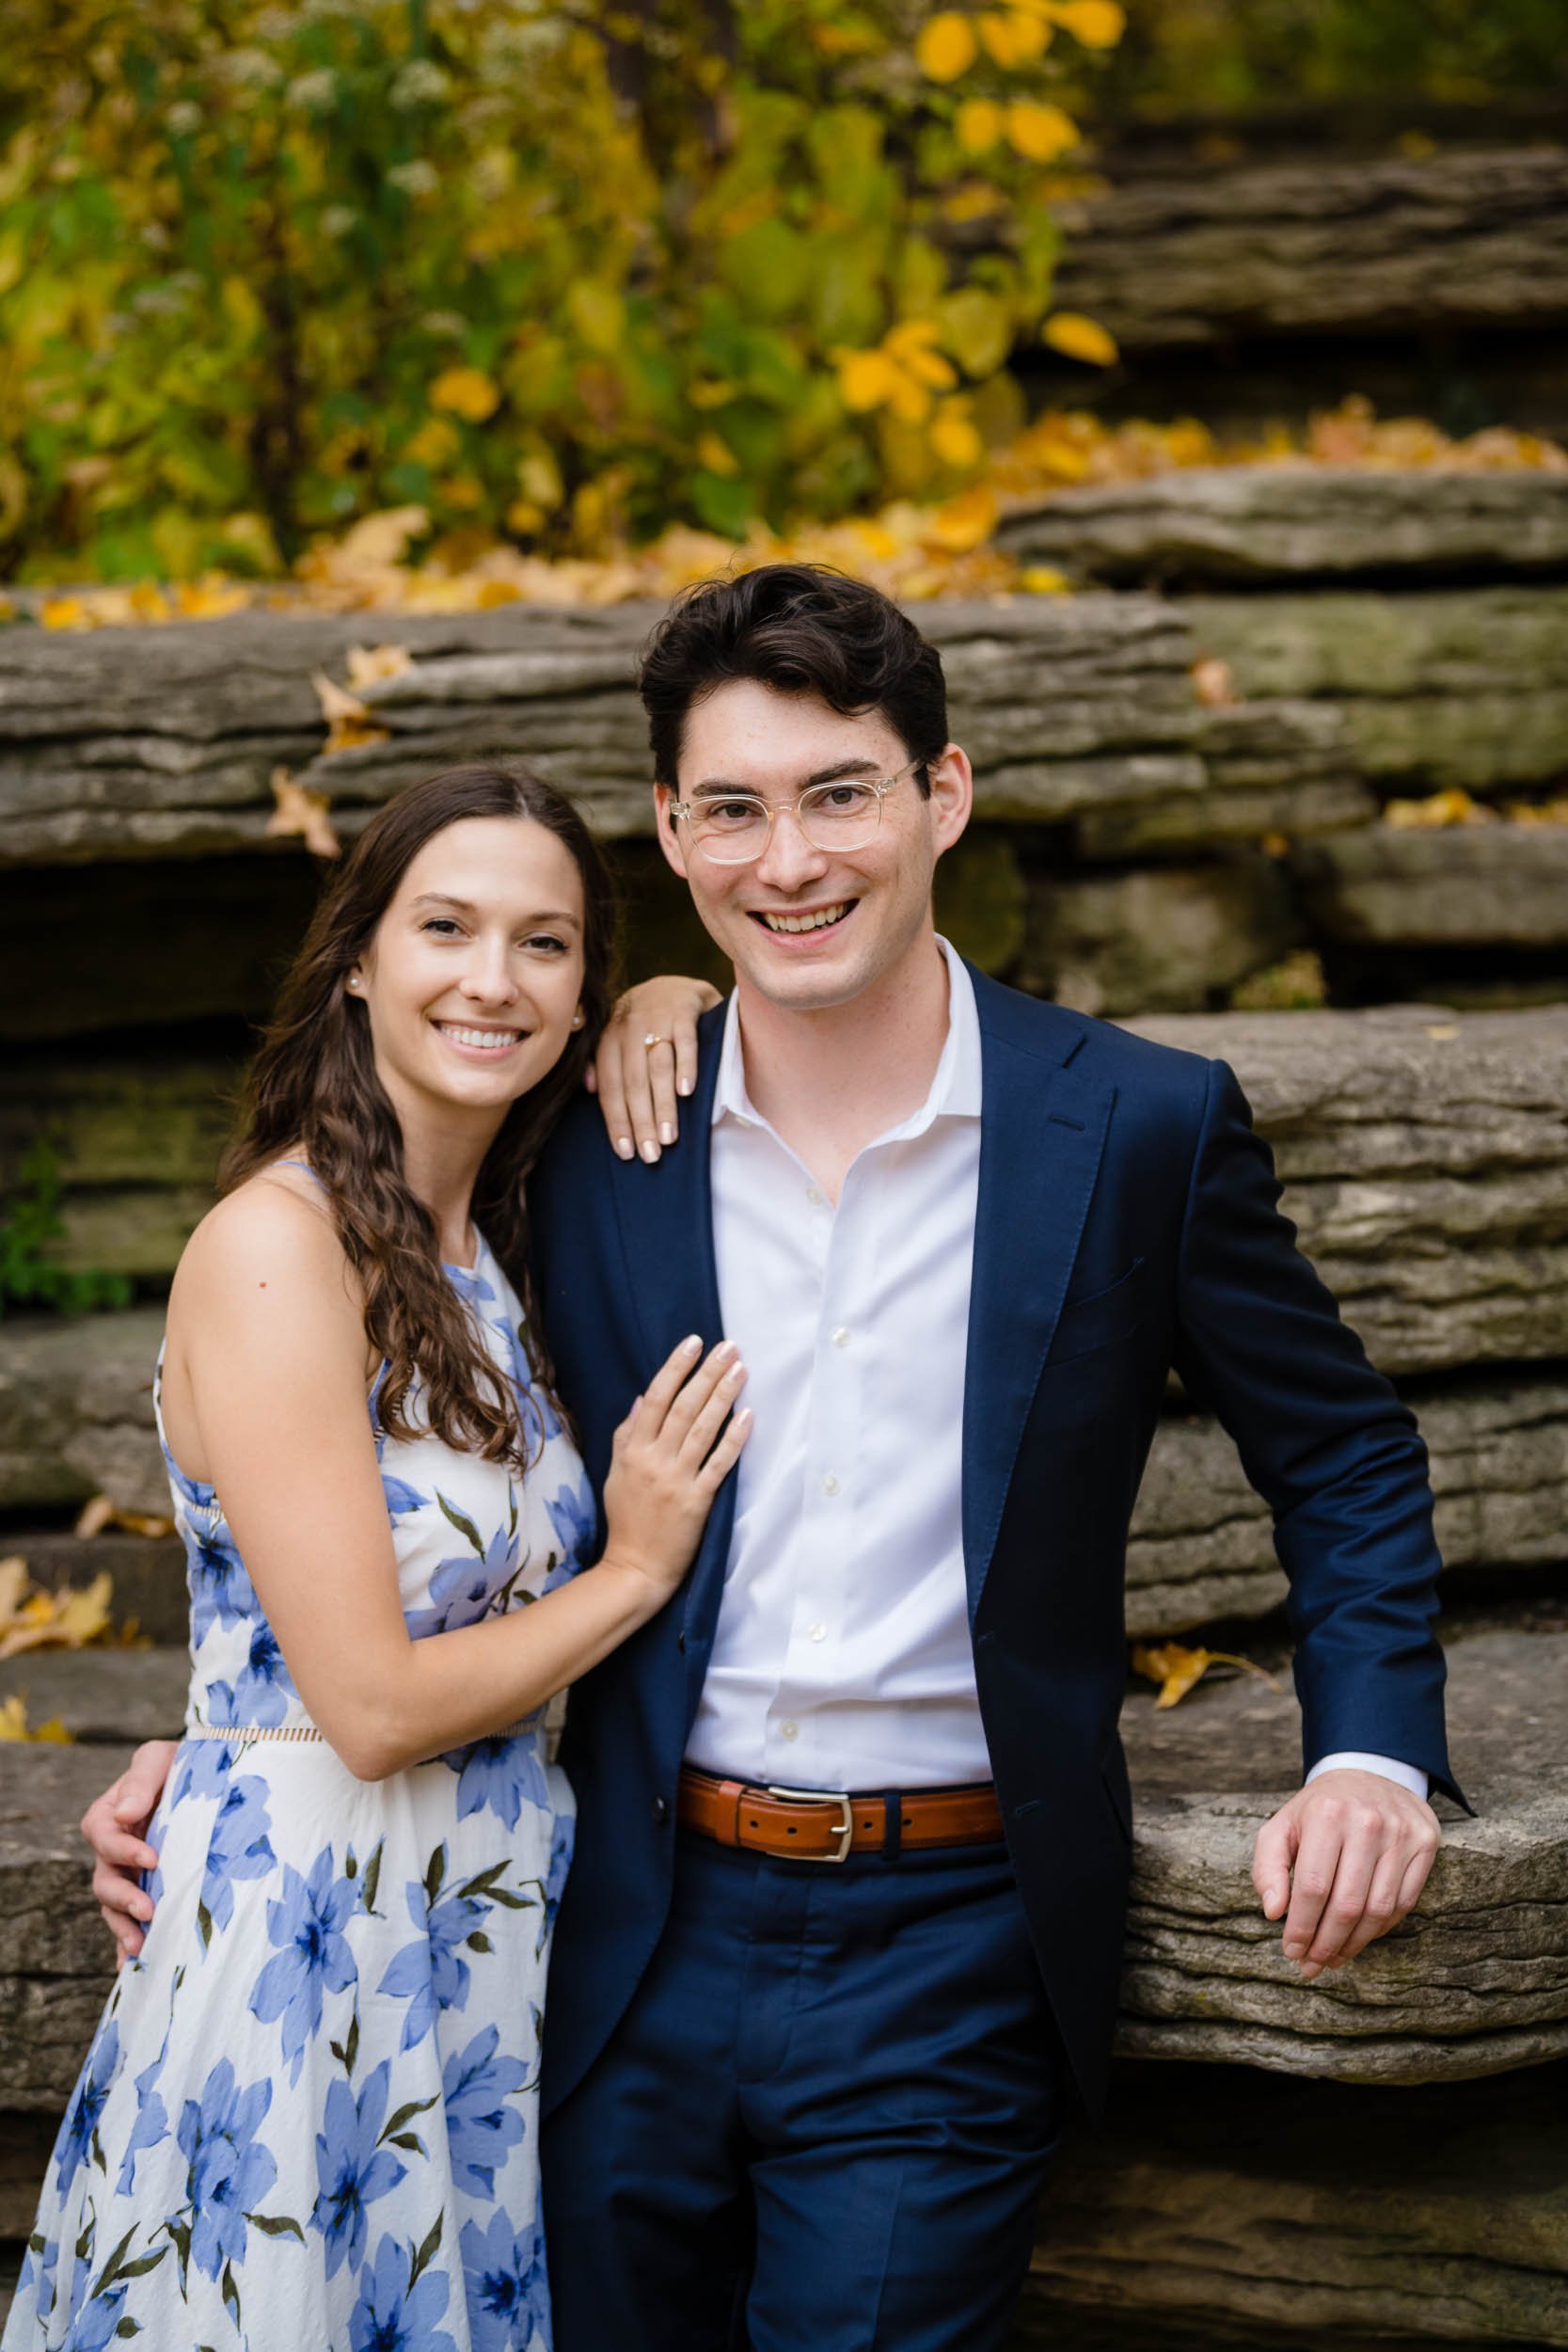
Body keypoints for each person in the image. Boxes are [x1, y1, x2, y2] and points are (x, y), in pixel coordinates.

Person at [87, 565, 1462, 2352]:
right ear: (671, 833)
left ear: (941, 796)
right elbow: (378, 1485)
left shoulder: (1135, 1126)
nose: (787, 860)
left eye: (839, 796)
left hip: (951, 1942)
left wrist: (1374, 1753)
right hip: (606, 1928)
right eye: (732, 811)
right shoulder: (587, 1146)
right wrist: (225, 1733)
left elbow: (1344, 1451)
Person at [19, 764, 749, 2351]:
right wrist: (629, 1572)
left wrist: (680, 993)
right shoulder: (280, 1247)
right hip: (311, 1932)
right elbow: (360, 1702)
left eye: (545, 945)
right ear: (357, 957)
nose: (492, 977)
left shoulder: (496, 1237)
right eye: (446, 927)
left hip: (479, 1916)